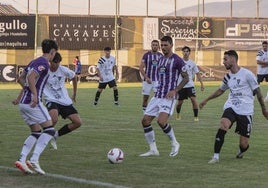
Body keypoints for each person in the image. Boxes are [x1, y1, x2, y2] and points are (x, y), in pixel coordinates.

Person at [199, 50, 268, 164]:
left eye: (225, 59)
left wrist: (264, 109)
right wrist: (206, 100)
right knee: (223, 124)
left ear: (233, 59)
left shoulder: (247, 74)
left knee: (244, 144)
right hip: (231, 107)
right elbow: (220, 90)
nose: (223, 62)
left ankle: (241, 151)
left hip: (246, 110)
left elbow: (258, 92)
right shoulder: (227, 77)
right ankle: (216, 156)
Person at [139, 36, 189, 157]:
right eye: (162, 45)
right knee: (145, 121)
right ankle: (153, 150)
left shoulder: (177, 60)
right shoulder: (160, 59)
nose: (163, 47)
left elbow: (186, 78)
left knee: (161, 121)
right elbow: (161, 77)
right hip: (158, 95)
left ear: (171, 45)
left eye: (166, 45)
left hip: (169, 97)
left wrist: (175, 90)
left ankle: (175, 143)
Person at [14, 39, 58, 175]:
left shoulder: (34, 61)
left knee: (36, 132)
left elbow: (21, 78)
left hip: (23, 103)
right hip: (32, 102)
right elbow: (32, 77)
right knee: (50, 130)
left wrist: (26, 92)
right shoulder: (44, 63)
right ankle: (34, 159)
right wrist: (33, 94)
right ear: (53, 51)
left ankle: (22, 159)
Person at [43, 52, 82, 150]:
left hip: (64, 100)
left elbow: (74, 77)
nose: (56, 64)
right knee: (54, 118)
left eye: (58, 62)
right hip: (51, 99)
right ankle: (42, 139)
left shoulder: (63, 69)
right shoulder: (44, 71)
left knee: (78, 122)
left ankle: (55, 135)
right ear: (50, 61)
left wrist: (74, 94)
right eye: (54, 62)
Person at [176, 46, 204, 121]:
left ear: (189, 53)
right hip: (181, 85)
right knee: (180, 103)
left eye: (187, 51)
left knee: (193, 100)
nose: (185, 53)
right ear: (182, 52)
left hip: (190, 85)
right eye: (184, 51)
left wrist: (202, 84)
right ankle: (178, 114)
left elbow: (198, 73)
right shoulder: (178, 62)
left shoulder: (192, 63)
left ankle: (196, 117)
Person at [139, 40, 163, 113]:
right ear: (151, 46)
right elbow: (141, 68)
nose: (155, 46)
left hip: (157, 80)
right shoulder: (146, 55)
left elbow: (163, 68)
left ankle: (157, 112)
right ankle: (144, 113)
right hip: (147, 81)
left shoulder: (161, 56)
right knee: (145, 98)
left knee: (158, 97)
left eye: (156, 45)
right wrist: (146, 78)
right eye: (153, 45)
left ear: (158, 46)